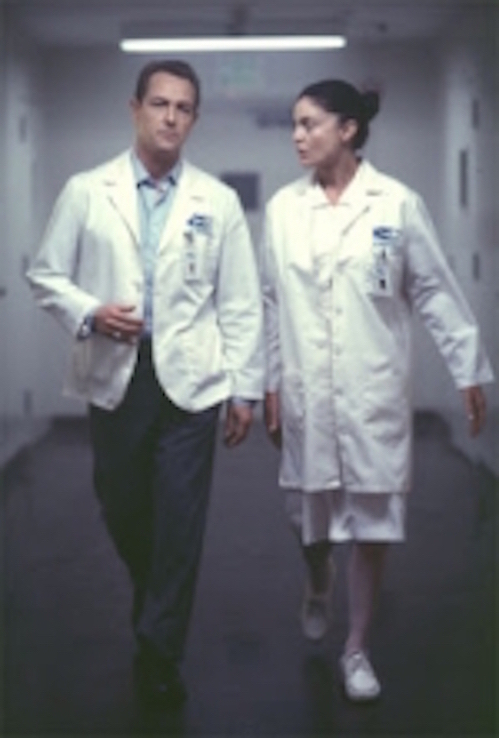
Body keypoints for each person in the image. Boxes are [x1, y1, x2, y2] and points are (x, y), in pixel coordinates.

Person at [27, 59, 263, 709]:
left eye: (183, 108)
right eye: (159, 104)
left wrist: (244, 389)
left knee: (180, 520)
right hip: (117, 374)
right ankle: (155, 597)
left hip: (192, 381)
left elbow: (239, 301)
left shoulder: (216, 201)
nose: (170, 117)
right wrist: (90, 312)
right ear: (134, 109)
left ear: (194, 119)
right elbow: (46, 275)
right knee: (122, 505)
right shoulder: (87, 190)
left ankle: (159, 652)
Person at [260, 79, 494, 702]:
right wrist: (270, 381)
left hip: (373, 390)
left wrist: (467, 367)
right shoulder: (283, 210)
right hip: (307, 392)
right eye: (294, 124)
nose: (297, 136)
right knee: (307, 522)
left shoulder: (396, 204)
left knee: (374, 522)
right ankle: (318, 578)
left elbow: (434, 289)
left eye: (309, 123)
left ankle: (356, 648)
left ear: (348, 129)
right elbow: (271, 302)